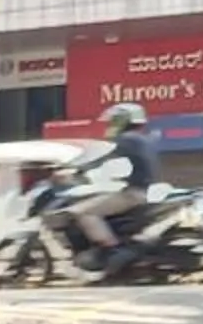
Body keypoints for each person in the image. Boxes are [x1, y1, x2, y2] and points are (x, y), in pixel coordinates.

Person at [68, 101, 160, 273]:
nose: (110, 125)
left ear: (122, 120)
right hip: (140, 191)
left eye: (113, 121)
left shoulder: (126, 139)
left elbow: (101, 157)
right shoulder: (141, 139)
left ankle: (113, 249)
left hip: (132, 193)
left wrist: (79, 169)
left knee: (84, 212)